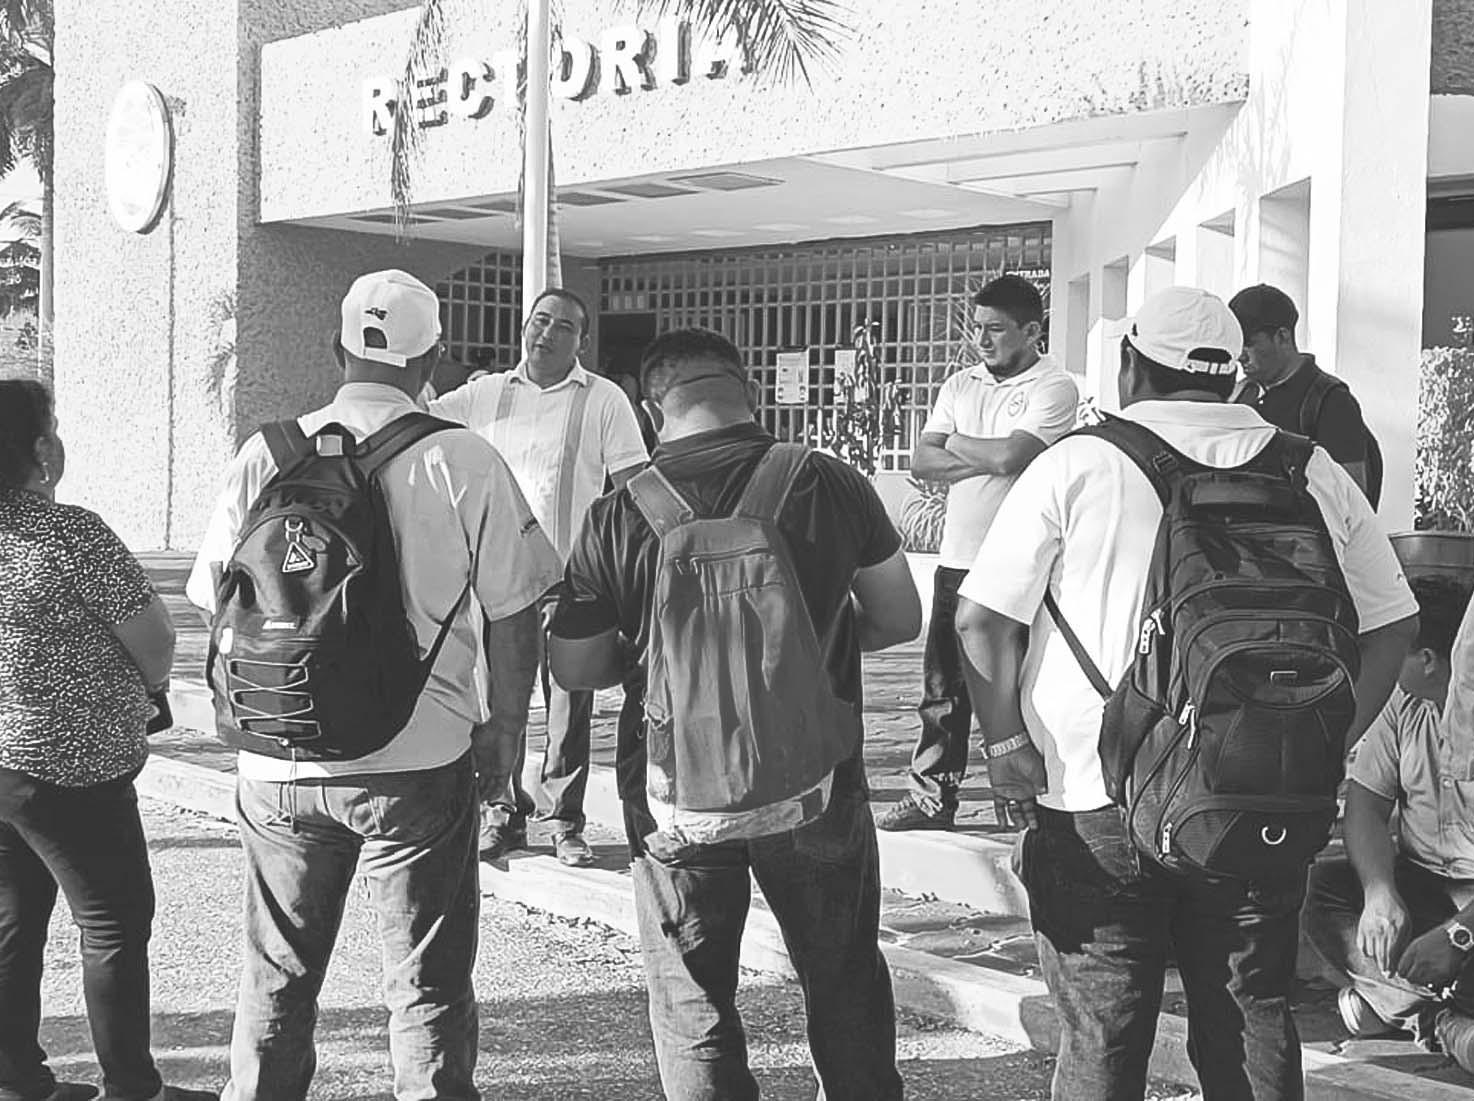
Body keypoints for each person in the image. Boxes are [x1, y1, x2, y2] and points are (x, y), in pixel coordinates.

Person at [955, 286, 1419, 1100]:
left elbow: (981, 620)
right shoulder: (1308, 466)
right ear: (1232, 376)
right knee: (1250, 1011)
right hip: (1261, 791)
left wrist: (1005, 746)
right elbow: (1395, 625)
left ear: (1131, 365)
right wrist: (1327, 741)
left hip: (1093, 793)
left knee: (1103, 1032)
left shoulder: (1079, 462)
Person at [186, 270, 563, 1101]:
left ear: (338, 348)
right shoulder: (463, 457)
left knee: (276, 978)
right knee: (425, 985)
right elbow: (517, 609)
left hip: (277, 761)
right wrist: (505, 734)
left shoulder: (266, 453)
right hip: (417, 758)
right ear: (431, 358)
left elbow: (212, 594)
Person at [547, 328, 920, 1099]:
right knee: (843, 975)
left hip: (672, 792)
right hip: (816, 781)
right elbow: (898, 616)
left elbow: (574, 666)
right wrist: (812, 644)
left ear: (653, 410)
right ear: (746, 391)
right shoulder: (829, 481)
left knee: (692, 997)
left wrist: (646, 659)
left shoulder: (619, 511)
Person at [0, 381, 215, 1101]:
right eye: (53, 427)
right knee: (114, 922)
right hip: (73, 765)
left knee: (13, 917)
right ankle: (132, 1086)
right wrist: (145, 687)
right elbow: (156, 642)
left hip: (3, 764)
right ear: (41, 449)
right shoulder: (72, 534)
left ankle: (15, 1079)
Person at [430, 288, 648, 866]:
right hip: (495, 581)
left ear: (583, 341)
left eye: (563, 326)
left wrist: (629, 570)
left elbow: (631, 488)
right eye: (540, 321)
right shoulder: (485, 394)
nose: (547, 333)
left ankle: (563, 821)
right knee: (499, 698)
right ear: (525, 327)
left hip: (573, 579)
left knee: (569, 703)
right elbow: (417, 417)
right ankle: (501, 812)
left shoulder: (602, 399)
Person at [877, 274, 1078, 832]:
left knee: (1017, 684)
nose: (981, 340)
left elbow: (1014, 457)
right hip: (958, 559)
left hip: (1021, 563)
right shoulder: (960, 385)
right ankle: (931, 796)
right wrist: (984, 455)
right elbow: (922, 461)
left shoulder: (1053, 387)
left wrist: (958, 443)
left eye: (995, 329)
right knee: (943, 690)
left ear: (1032, 332)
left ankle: (1024, 802)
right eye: (977, 327)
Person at [1304, 576, 1474, 1062]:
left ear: (1429, 659)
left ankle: (1409, 1007)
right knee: (1322, 893)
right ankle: (1441, 1020)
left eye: (1396, 648)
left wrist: (1459, 935)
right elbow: (1364, 807)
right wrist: (1380, 891)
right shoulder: (1399, 702)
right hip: (1423, 883)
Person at [1229, 283, 1382, 505]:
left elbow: (1352, 499)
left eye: (1248, 344)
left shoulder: (1331, 402)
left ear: (1282, 337)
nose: (1240, 356)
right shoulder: (1240, 394)